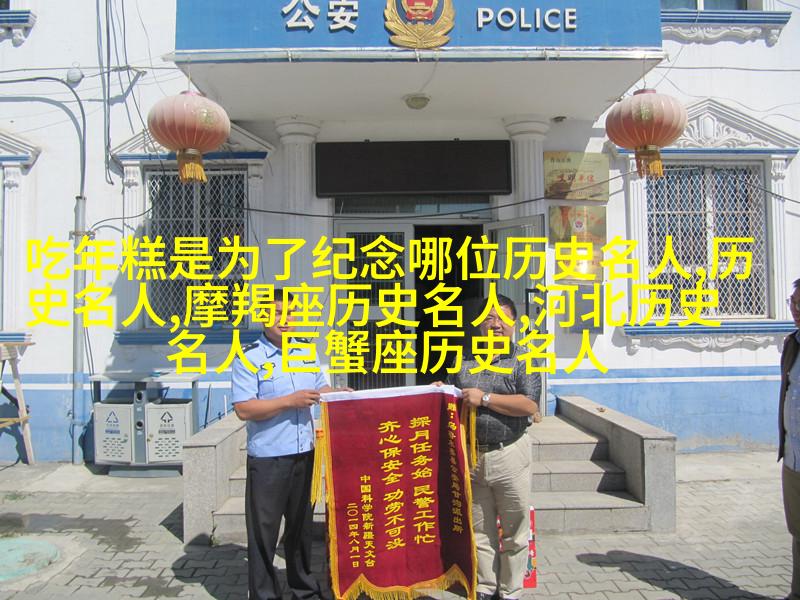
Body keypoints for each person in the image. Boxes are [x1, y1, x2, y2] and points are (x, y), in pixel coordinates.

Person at [231, 290, 337, 600]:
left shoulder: (305, 350)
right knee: (264, 533)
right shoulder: (248, 356)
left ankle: (303, 589)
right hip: (269, 459)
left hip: (304, 454)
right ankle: (264, 594)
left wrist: (342, 396)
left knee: (300, 529)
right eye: (277, 313)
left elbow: (321, 387)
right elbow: (244, 409)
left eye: (290, 312)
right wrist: (289, 401)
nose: (285, 319)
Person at [442, 294, 541, 600]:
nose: (495, 324)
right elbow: (453, 393)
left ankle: (510, 590)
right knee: (479, 528)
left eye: (502, 317)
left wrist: (485, 399)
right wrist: (440, 392)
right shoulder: (463, 358)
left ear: (513, 323)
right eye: (489, 317)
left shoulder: (524, 358)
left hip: (509, 452)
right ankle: (485, 587)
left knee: (514, 529)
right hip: (472, 454)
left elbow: (530, 404)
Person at [781, 278, 800, 600]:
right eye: (793, 303)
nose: (796, 310)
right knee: (798, 531)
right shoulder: (792, 344)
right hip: (794, 456)